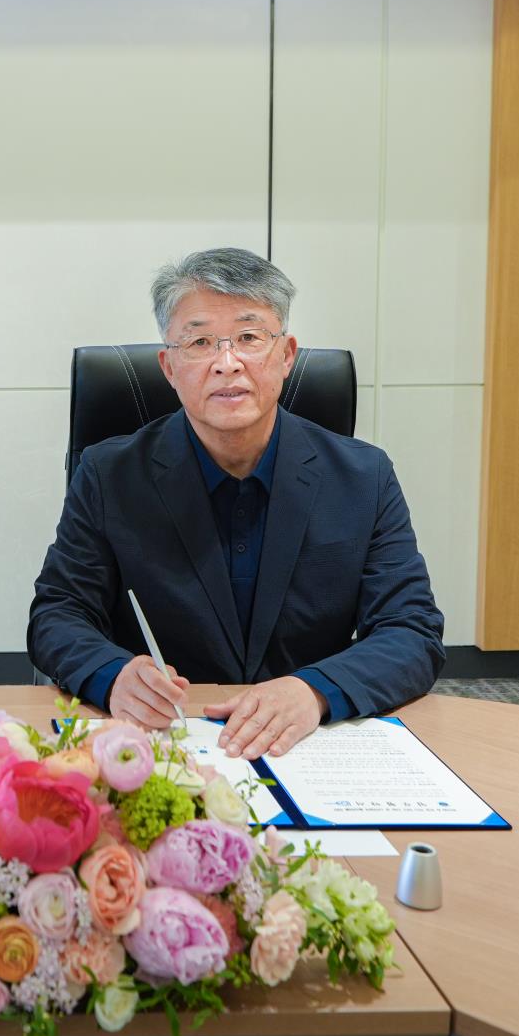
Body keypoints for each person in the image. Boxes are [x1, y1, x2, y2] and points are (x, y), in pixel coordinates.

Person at [28, 247, 445, 760]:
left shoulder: (363, 477)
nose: (227, 364)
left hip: (308, 743)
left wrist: (314, 691)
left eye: (249, 338)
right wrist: (112, 675)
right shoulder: (109, 474)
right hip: (163, 740)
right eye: (200, 342)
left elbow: (411, 630)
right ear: (169, 367)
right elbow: (58, 613)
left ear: (287, 355)